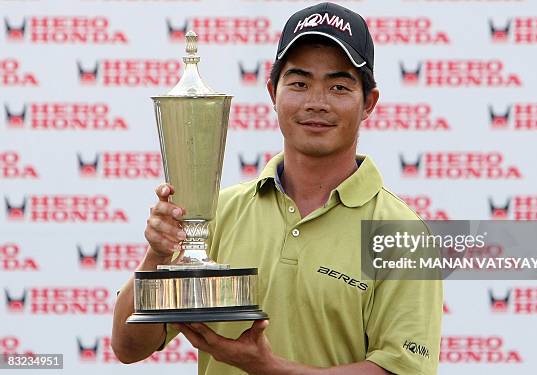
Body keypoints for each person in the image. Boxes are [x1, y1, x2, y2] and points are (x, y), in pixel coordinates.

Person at [112, 2, 442, 374]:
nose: (316, 103)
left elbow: (402, 370)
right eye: (299, 83)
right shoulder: (217, 211)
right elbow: (128, 347)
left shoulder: (406, 233)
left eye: (338, 86)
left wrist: (268, 368)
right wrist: (156, 257)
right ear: (273, 92)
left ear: (369, 103)